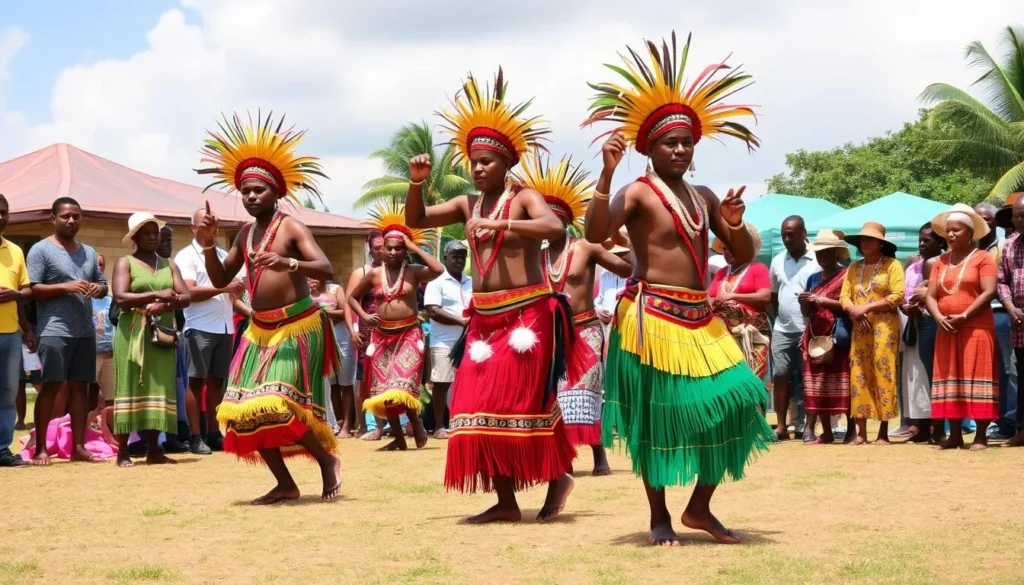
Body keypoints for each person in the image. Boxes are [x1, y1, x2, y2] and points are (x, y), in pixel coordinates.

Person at [582, 33, 773, 546]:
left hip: (700, 318)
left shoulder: (704, 195)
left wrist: (731, 224)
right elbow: (594, 233)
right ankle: (659, 517)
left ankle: (700, 508)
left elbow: (739, 258)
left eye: (687, 141)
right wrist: (604, 175)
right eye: (671, 141)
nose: (682, 149)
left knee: (740, 401)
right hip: (653, 319)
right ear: (650, 147)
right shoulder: (638, 191)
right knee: (657, 419)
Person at [405, 69, 584, 523]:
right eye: (474, 161)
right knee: (471, 405)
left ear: (505, 164)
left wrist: (501, 225)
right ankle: (506, 502)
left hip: (527, 315)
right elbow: (418, 218)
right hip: (484, 321)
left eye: (487, 161)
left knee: (525, 403)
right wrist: (416, 182)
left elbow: (554, 227)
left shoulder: (522, 198)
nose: (479, 167)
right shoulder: (467, 204)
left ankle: (558, 475)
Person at [193, 112, 340, 504]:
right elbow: (222, 279)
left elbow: (325, 267)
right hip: (258, 331)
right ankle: (285, 483)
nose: (251, 196)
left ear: (275, 192)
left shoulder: (290, 227)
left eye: (258, 190)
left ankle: (326, 462)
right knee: (242, 410)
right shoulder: (244, 233)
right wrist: (208, 243)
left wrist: (289, 263)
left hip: (298, 327)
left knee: (279, 401)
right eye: (246, 191)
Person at [518, 153, 633, 476]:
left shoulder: (586, 248)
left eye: (552, 219)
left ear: (564, 221)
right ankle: (561, 458)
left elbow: (629, 268)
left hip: (585, 332)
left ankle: (599, 456)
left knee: (585, 391)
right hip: (550, 335)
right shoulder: (536, 258)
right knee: (554, 395)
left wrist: (628, 242)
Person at [348, 202, 443, 451]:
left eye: (398, 248)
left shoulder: (414, 271)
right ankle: (399, 438)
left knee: (404, 384)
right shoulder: (373, 274)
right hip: (381, 336)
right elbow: (350, 298)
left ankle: (415, 421)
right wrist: (364, 317)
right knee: (384, 390)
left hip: (409, 334)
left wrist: (413, 246)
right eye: (388, 248)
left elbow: (438, 269)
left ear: (404, 250)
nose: (391, 252)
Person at [27, 197, 109, 465]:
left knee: (80, 390)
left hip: (84, 330)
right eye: (65, 216)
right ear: (53, 219)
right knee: (50, 386)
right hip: (54, 329)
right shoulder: (40, 250)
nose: (71, 220)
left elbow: (103, 284)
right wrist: (66, 287)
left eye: (76, 216)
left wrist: (99, 288)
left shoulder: (88, 251)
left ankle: (78, 447)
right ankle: (40, 448)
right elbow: (34, 290)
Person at [111, 212, 191, 466]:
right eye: (146, 232)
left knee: (160, 385)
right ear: (134, 237)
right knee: (129, 383)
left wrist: (164, 306)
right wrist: (157, 295)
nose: (153, 237)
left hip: (162, 332)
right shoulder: (125, 263)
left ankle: (154, 450)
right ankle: (123, 451)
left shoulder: (169, 265)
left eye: (155, 232)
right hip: (132, 330)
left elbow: (186, 296)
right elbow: (121, 297)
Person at [925, 206, 999, 451]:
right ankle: (955, 435)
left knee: (977, 376)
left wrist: (965, 314)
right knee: (950, 377)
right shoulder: (940, 262)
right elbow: (931, 295)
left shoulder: (983, 258)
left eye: (956, 230)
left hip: (976, 326)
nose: (951, 235)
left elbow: (989, 291)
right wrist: (938, 317)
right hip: (946, 327)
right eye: (948, 231)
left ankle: (980, 435)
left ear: (969, 232)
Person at [174, 208, 245, 454]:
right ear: (193, 228)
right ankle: (195, 436)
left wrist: (238, 290)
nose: (209, 227)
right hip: (199, 326)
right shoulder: (186, 256)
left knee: (218, 383)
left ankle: (214, 433)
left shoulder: (224, 254)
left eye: (214, 223)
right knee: (196, 382)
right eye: (204, 223)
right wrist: (225, 288)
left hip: (225, 326)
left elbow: (236, 289)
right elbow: (189, 292)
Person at [840, 222, 904, 445]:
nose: (864, 242)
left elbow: (898, 295)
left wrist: (866, 308)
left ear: (881, 243)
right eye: (862, 239)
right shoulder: (854, 268)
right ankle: (861, 432)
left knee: (883, 371)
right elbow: (844, 295)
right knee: (859, 373)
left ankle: (884, 431)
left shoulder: (892, 265)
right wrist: (852, 310)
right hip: (860, 327)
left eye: (870, 239)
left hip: (884, 326)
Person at [797, 230, 853, 445]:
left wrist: (822, 299)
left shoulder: (847, 275)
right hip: (815, 335)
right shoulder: (812, 278)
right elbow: (806, 312)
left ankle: (850, 429)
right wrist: (806, 301)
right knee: (817, 383)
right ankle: (825, 431)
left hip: (838, 334)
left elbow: (849, 305)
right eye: (819, 253)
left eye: (827, 252)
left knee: (843, 381)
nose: (822, 257)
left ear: (837, 253)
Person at [769, 216, 819, 441]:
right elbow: (772, 294)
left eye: (792, 234)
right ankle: (781, 426)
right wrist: (779, 315)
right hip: (782, 329)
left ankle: (805, 427)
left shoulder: (817, 259)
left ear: (804, 233)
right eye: (784, 235)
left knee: (807, 378)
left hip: (809, 328)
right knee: (781, 374)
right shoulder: (778, 260)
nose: (787, 239)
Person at [900, 223, 947, 444]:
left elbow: (936, 294)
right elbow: (907, 295)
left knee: (934, 375)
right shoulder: (912, 268)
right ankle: (922, 425)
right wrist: (907, 306)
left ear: (941, 242)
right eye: (920, 239)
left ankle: (938, 428)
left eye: (927, 240)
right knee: (917, 378)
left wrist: (921, 301)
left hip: (934, 322)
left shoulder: (941, 263)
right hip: (915, 324)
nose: (921, 244)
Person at [423, 240, 472, 439]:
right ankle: (439, 425)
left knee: (468, 383)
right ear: (445, 258)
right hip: (443, 342)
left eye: (462, 256)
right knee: (442, 383)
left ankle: (463, 421)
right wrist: (461, 322)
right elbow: (433, 311)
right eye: (455, 256)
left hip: (470, 342)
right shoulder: (436, 283)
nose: (459, 260)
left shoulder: (472, 282)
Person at [709, 227, 771, 383]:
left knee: (752, 378)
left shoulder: (757, 268)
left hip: (751, 334)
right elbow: (709, 297)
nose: (727, 252)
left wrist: (733, 296)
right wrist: (716, 302)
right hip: (725, 335)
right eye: (724, 248)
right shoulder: (722, 273)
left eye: (732, 248)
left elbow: (765, 296)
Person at [0, 193, 35, 467]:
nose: (1, 217)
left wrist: (15, 294)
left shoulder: (15, 250)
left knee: (8, 394)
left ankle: (2, 449)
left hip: (10, 335)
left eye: (4, 212)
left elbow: (26, 290)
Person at [346, 231, 386, 440]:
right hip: (366, 331)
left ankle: (391, 422)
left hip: (391, 330)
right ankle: (364, 423)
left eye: (383, 246)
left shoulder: (394, 271)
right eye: (377, 247)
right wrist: (352, 329)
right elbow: (348, 302)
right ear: (370, 249)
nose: (380, 251)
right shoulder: (361, 272)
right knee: (364, 378)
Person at [998, 195, 1024, 447]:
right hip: (1019, 324)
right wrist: (1010, 306)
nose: (1018, 220)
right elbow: (1002, 281)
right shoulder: (1009, 245)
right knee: (1021, 377)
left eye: (1022, 216)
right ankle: (1021, 430)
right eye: (1016, 216)